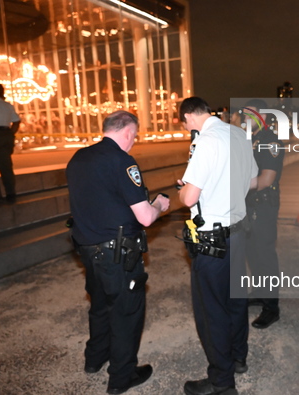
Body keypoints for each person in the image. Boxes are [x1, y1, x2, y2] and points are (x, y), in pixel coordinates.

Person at [66, 110, 170, 395]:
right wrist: (160, 204)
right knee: (125, 313)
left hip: (87, 251)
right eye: (134, 136)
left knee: (99, 307)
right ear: (127, 132)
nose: (133, 142)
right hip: (118, 256)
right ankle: (121, 378)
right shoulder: (123, 162)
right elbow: (146, 217)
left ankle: (94, 359)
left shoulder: (79, 158)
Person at [177, 97, 257, 395]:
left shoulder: (206, 141)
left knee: (212, 311)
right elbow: (250, 182)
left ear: (188, 117)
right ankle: (238, 358)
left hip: (212, 240)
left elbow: (188, 198)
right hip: (238, 233)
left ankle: (222, 381)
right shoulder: (238, 134)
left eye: (185, 123)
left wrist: (186, 188)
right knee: (236, 302)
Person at [243, 100, 284, 329]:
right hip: (247, 206)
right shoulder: (249, 140)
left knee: (265, 255)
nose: (246, 119)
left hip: (263, 206)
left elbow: (266, 179)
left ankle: (272, 307)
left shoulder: (271, 141)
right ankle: (259, 292)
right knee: (252, 252)